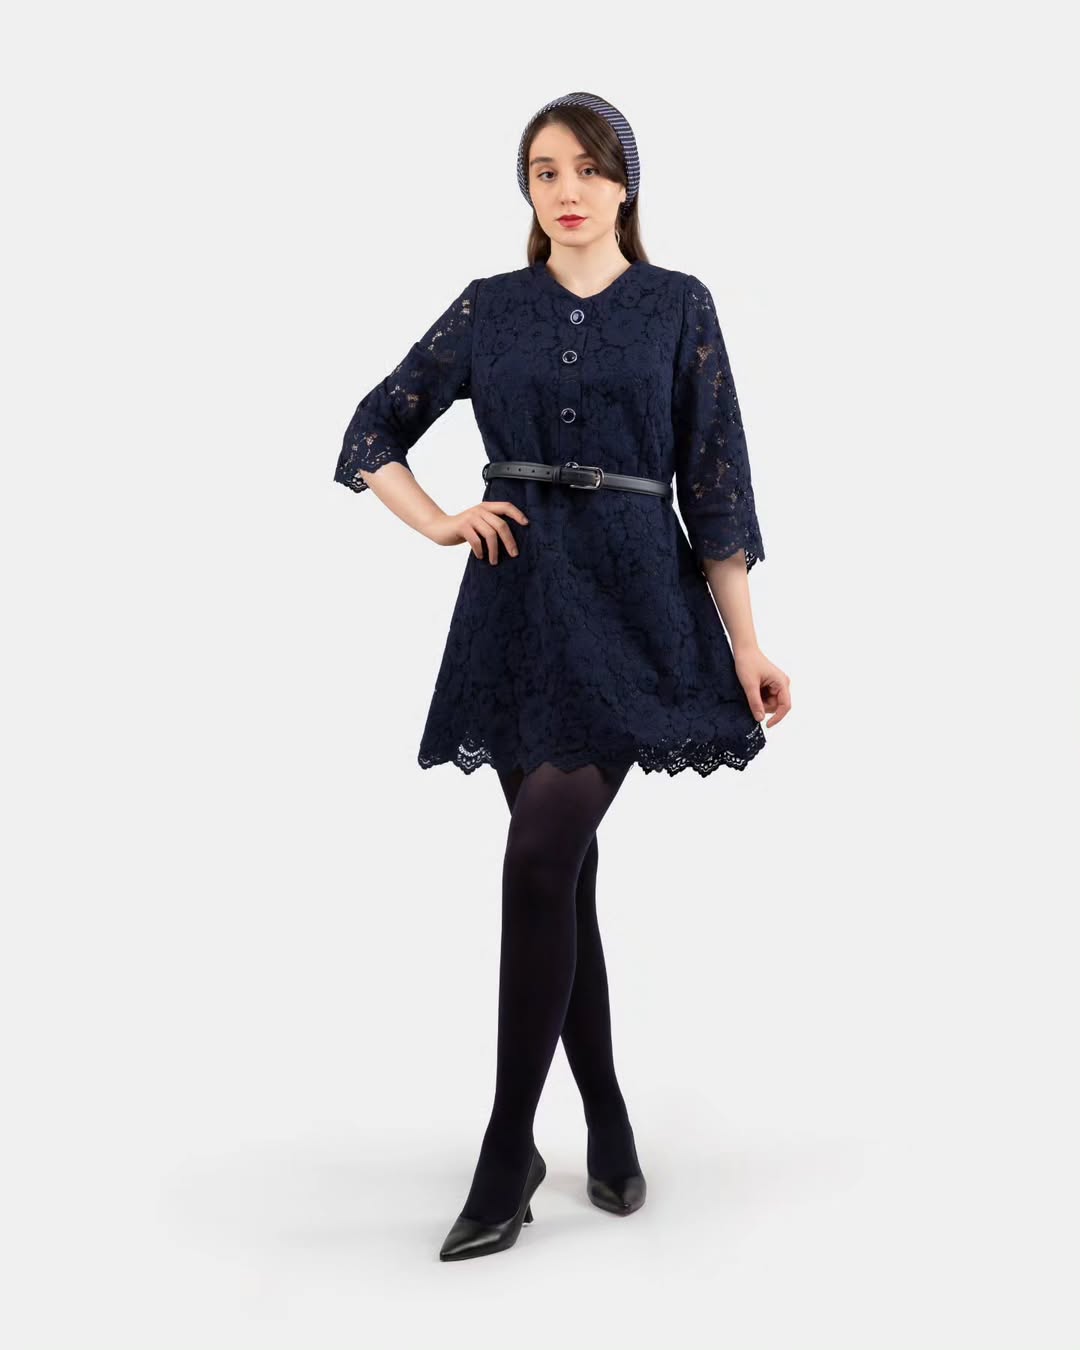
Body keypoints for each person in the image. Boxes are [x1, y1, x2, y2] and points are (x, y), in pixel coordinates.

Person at [333, 91, 792, 1262]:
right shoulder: (490, 307)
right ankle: (607, 1117)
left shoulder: (678, 305)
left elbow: (718, 485)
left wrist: (745, 641)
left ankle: (507, 1150)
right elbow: (374, 427)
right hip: (518, 609)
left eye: (588, 168)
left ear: (626, 182)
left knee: (539, 856)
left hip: (638, 612)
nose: (568, 189)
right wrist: (440, 519)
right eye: (545, 171)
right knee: (562, 877)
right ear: (527, 189)